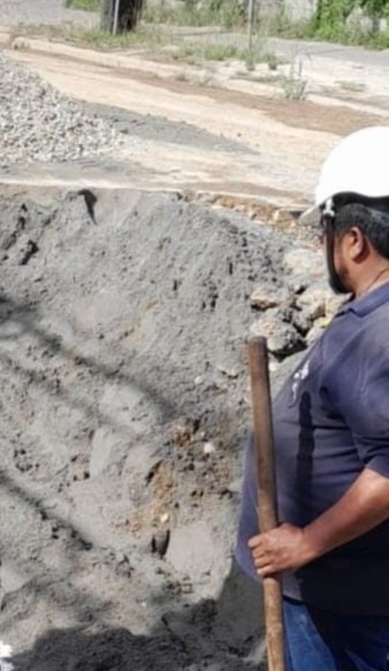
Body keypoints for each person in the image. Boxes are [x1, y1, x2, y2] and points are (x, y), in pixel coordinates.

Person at [236, 125, 389, 670]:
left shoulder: (382, 333)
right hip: (340, 595)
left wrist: (306, 542)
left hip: (352, 607)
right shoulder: (373, 312)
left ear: (353, 240)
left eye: (325, 231)